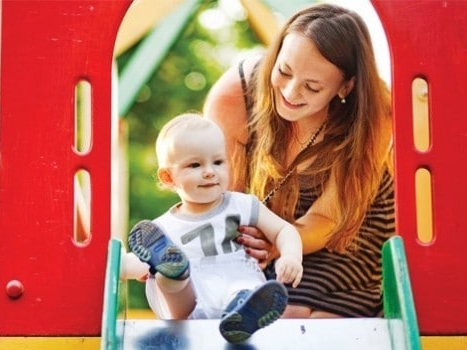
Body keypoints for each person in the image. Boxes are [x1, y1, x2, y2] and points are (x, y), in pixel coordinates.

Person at [203, 3, 395, 319]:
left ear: (345, 86)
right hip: (272, 226)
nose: (291, 92)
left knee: (303, 316)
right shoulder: (235, 96)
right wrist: (249, 242)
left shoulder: (374, 113)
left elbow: (327, 219)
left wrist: (280, 244)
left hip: (348, 233)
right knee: (262, 304)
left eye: (312, 86)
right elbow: (225, 198)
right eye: (284, 71)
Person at [124, 112, 303, 343]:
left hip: (235, 281)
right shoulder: (162, 228)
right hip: (186, 305)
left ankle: (243, 314)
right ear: (169, 177)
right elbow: (137, 264)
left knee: (244, 288)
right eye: (195, 165)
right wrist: (116, 268)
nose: (210, 171)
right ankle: (173, 271)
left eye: (218, 162)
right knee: (167, 276)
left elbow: (283, 230)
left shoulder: (242, 205)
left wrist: (291, 256)